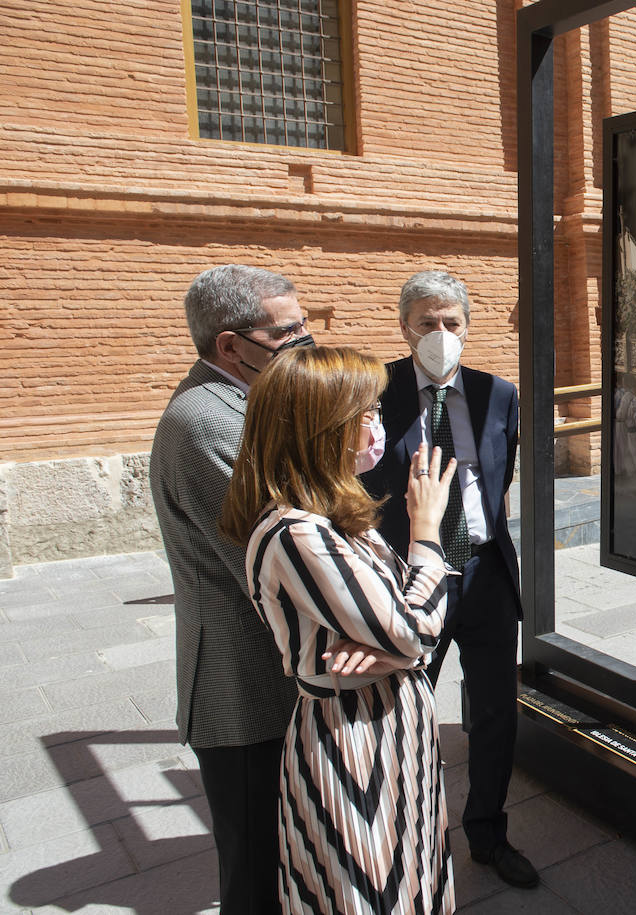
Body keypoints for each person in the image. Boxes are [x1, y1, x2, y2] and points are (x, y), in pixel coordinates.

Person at [221, 346, 457, 914]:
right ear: (324, 427)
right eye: (366, 411)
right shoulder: (297, 532)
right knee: (368, 888)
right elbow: (415, 631)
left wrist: (394, 647)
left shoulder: (333, 518)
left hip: (394, 725)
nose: (377, 423)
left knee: (412, 877)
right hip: (356, 739)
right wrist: (426, 533)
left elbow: (398, 628)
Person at [359, 271, 536, 889]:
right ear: (405, 326)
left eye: (451, 322)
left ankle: (487, 834)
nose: (440, 334)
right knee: (405, 715)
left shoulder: (499, 394)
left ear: (467, 325)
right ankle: (405, 838)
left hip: (485, 575)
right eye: (427, 323)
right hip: (409, 580)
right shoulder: (371, 394)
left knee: (495, 713)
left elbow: (499, 475)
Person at [150, 264, 310, 914]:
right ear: (229, 345)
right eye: (288, 331)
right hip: (244, 692)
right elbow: (281, 560)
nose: (304, 341)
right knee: (254, 872)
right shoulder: (207, 420)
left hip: (269, 680)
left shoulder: (242, 401)